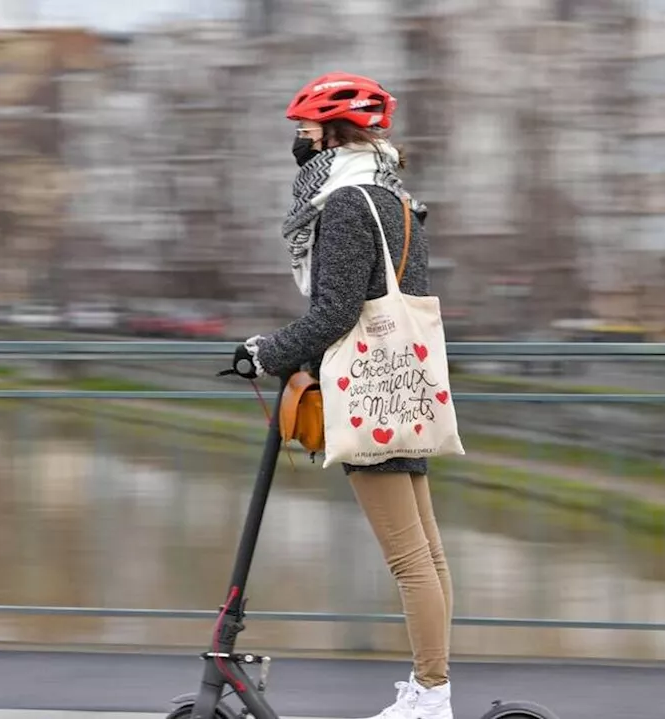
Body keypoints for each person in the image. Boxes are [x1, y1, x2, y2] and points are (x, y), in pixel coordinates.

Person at [228, 72, 454, 719]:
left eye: (304, 135)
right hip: (405, 383)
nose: (299, 148)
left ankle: (431, 696)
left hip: (372, 396)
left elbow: (334, 313)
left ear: (332, 134)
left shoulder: (350, 203)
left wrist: (263, 351)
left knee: (411, 559)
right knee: (430, 555)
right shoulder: (396, 198)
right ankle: (430, 687)